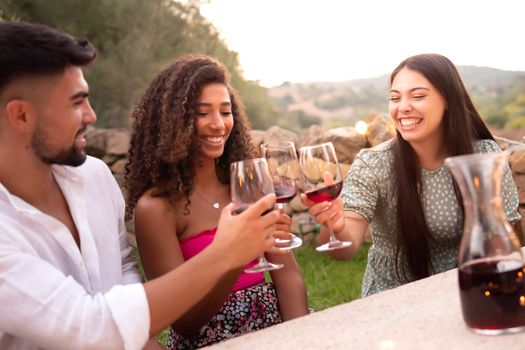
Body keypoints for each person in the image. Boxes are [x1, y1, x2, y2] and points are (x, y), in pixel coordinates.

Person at [0, 21, 281, 350]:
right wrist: (225, 254)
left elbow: (121, 269)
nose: (91, 115)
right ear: (20, 115)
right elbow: (89, 327)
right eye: (76, 103)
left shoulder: (94, 177)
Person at [125, 54, 309, 349]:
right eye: (202, 113)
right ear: (173, 122)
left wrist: (302, 337)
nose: (218, 124)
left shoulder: (246, 185)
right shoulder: (157, 208)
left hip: (279, 332)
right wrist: (234, 255)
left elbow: (287, 275)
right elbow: (185, 322)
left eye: (225, 112)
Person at [301, 53, 521, 297]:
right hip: (394, 299)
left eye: (417, 96)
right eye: (395, 98)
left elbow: (507, 236)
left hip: (470, 289)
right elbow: (344, 250)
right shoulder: (374, 164)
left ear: (448, 99)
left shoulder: (483, 156)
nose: (403, 107)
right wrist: (335, 225)